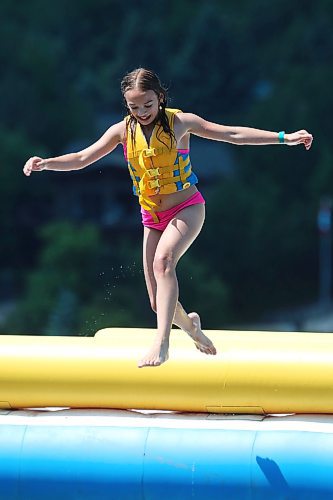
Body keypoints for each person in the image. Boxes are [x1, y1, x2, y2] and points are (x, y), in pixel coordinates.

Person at [23, 67, 313, 368]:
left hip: (187, 207)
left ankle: (161, 343)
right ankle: (191, 327)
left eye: (147, 105)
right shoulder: (122, 131)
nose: (142, 112)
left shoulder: (180, 122)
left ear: (160, 98)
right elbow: (83, 158)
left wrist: (284, 137)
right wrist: (46, 163)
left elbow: (232, 134)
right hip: (152, 217)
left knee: (163, 263)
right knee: (157, 301)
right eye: (134, 107)